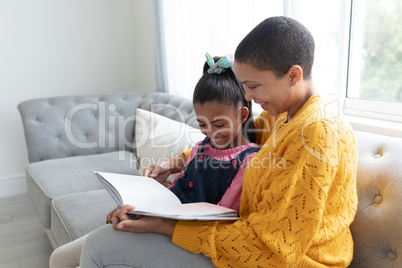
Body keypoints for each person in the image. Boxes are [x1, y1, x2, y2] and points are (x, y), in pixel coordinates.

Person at [79, 16, 358, 267]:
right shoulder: (282, 117)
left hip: (291, 260)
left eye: (253, 86)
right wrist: (174, 163)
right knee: (97, 241)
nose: (248, 95)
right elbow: (232, 142)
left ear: (293, 75)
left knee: (98, 247)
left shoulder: (316, 133)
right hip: (236, 236)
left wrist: (167, 227)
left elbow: (273, 250)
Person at [49, 53, 259, 268]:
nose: (211, 133)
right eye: (203, 124)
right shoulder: (202, 146)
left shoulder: (249, 161)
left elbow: (225, 219)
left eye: (219, 124)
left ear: (242, 115)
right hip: (162, 218)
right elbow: (181, 182)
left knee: (96, 248)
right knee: (60, 258)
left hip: (184, 237)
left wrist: (159, 220)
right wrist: (139, 206)